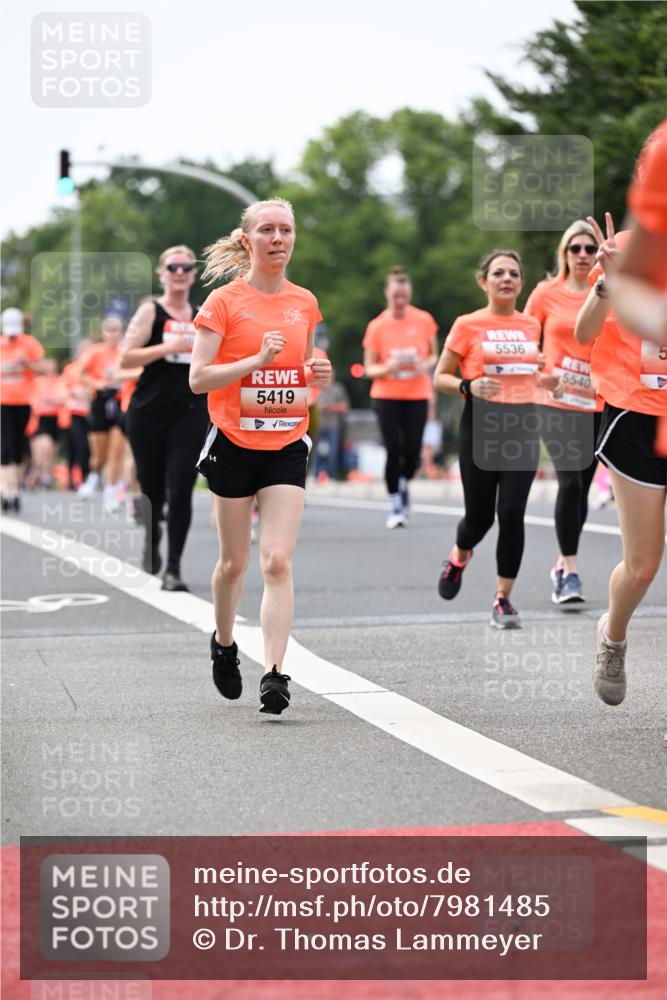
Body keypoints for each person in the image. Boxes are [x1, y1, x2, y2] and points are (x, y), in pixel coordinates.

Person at [189, 198, 331, 715]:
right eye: (267, 230)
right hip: (232, 442)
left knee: (276, 559)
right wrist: (255, 360)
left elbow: (301, 369)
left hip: (286, 442)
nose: (278, 238)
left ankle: (274, 673)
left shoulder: (304, 302)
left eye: (286, 230)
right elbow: (198, 378)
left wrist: (316, 374)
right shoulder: (224, 302)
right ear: (247, 241)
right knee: (234, 564)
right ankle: (224, 643)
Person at [574, 126, 666, 708]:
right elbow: (584, 332)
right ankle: (613, 636)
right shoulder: (625, 248)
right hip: (636, 414)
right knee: (642, 567)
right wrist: (609, 282)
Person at [433, 250, 560, 629]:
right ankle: (459, 555)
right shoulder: (468, 324)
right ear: (483, 281)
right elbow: (440, 376)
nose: (507, 279)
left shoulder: (531, 325)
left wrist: (546, 380)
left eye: (514, 274)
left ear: (521, 283)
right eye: (499, 273)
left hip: (523, 424)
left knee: (512, 513)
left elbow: (528, 374)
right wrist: (468, 386)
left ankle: (503, 599)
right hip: (481, 426)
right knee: (479, 518)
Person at [120, 247, 209, 591]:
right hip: (148, 411)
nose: (180, 272)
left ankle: (173, 568)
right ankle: (152, 536)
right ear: (162, 274)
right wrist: (166, 347)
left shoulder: (202, 315)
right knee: (152, 488)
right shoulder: (150, 311)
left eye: (186, 266)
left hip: (190, 410)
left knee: (182, 485)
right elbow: (126, 358)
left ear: (193, 274)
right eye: (173, 267)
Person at [524, 220, 602, 605]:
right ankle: (569, 572)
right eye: (576, 248)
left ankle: (561, 561)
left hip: (597, 402)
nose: (583, 255)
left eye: (590, 248)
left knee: (582, 488)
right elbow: (524, 339)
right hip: (554, 402)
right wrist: (540, 371)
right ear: (565, 253)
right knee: (569, 482)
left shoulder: (607, 291)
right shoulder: (545, 293)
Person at [363, 266, 439, 528]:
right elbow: (369, 368)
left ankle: (405, 482)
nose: (400, 300)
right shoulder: (377, 326)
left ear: (410, 294)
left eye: (404, 295)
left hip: (417, 394)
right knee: (393, 449)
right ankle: (395, 503)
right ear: (387, 294)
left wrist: (424, 364)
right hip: (386, 395)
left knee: (413, 452)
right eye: (396, 295)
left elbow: (434, 355)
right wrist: (387, 368)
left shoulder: (424, 320)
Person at [77, 315, 126, 511]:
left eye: (116, 330)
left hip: (120, 400)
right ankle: (93, 475)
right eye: (109, 330)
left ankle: (110, 491)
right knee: (99, 453)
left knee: (116, 450)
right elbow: (81, 374)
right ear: (103, 333)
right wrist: (97, 384)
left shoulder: (126, 351)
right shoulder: (94, 352)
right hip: (100, 400)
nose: (113, 335)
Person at [0, 307, 45, 512]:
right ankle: (5, 489)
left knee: (19, 447)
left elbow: (43, 368)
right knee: (5, 446)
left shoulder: (29, 343)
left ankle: (15, 489)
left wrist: (27, 363)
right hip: (3, 401)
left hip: (24, 401)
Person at [29, 357, 64, 489]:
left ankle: (46, 475)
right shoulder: (37, 381)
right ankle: (38, 472)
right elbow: (32, 399)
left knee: (52, 450)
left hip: (56, 418)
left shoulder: (59, 380)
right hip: (40, 418)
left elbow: (64, 397)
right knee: (44, 447)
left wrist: (54, 400)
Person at [312, 378, 350, 480]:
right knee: (314, 451)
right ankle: (315, 475)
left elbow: (345, 407)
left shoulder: (338, 389)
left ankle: (330, 476)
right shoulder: (314, 387)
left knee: (333, 452)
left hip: (333, 426)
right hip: (317, 426)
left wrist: (328, 407)